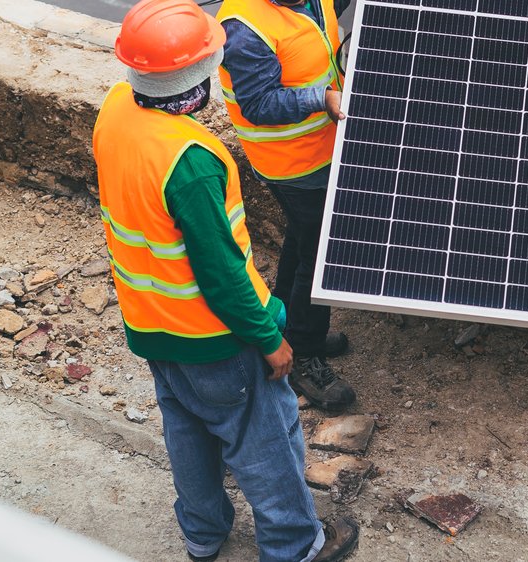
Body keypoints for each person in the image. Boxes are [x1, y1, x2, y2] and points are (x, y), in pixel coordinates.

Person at [92, 1, 358, 560]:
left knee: (187, 433)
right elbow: (221, 275)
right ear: (197, 77)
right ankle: (294, 544)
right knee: (266, 442)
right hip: (215, 339)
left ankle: (203, 533)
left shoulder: (115, 109)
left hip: (151, 326)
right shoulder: (190, 161)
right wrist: (270, 339)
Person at [216, 0, 356, 414]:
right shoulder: (244, 29)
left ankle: (287, 327)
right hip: (292, 164)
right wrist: (322, 98)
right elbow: (258, 104)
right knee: (319, 254)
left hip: (327, 147)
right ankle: (306, 356)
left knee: (301, 239)